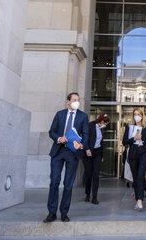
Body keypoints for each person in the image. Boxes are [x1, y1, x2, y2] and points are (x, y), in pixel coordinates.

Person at [43, 92, 89, 223]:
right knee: (54, 182)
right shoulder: (60, 114)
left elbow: (85, 134)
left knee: (68, 185)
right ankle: (51, 213)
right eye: (74, 100)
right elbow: (52, 131)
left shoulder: (83, 116)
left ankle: (64, 212)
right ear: (68, 101)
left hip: (73, 153)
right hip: (58, 152)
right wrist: (59, 138)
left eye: (78, 100)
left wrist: (81, 145)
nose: (77, 102)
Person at [122, 108, 146, 211]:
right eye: (135, 114)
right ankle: (137, 199)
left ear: (142, 115)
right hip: (133, 154)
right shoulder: (129, 127)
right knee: (135, 178)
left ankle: (140, 200)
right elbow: (124, 141)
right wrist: (134, 139)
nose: (137, 116)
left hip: (143, 152)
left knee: (140, 175)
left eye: (139, 114)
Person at [83, 113, 110, 204]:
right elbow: (84, 138)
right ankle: (87, 194)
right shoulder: (90, 126)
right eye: (105, 124)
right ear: (101, 121)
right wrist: (86, 149)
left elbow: (101, 143)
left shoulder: (100, 129)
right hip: (88, 153)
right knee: (89, 175)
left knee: (96, 175)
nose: (105, 126)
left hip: (97, 153)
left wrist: (101, 156)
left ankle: (94, 197)